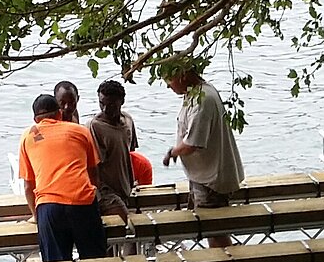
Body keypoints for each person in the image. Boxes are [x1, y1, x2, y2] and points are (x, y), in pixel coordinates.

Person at [159, 54, 245, 248]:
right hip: (205, 176)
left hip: (212, 180)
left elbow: (193, 144)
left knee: (214, 231)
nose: (168, 86)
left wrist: (172, 152)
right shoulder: (197, 93)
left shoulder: (202, 100)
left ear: (182, 75)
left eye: (169, 80)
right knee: (211, 230)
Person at [18, 93, 110, 262]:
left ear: (35, 119)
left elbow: (29, 186)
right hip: (83, 202)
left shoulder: (29, 135)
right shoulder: (80, 131)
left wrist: (36, 216)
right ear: (59, 113)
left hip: (49, 206)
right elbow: (94, 175)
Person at [86, 80, 139, 221]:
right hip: (105, 190)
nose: (105, 109)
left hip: (124, 187)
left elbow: (129, 152)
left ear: (121, 102)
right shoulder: (94, 126)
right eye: (101, 103)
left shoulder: (127, 120)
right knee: (127, 226)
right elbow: (93, 165)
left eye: (110, 105)